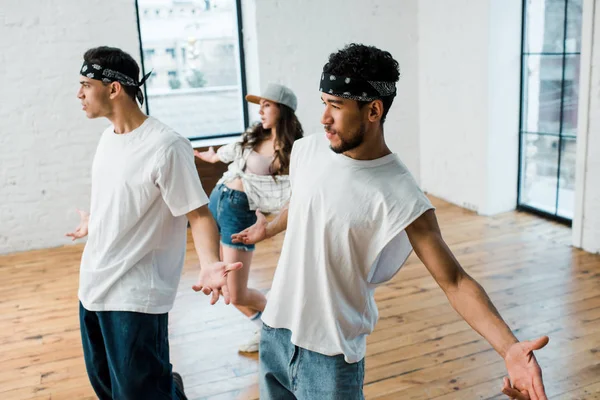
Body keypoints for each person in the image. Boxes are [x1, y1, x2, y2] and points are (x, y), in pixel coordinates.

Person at [229, 44, 549, 400]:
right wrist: (268, 228)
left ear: (374, 110)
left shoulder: (401, 194)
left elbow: (455, 281)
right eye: (324, 102)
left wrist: (509, 349)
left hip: (330, 356)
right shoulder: (307, 150)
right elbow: (306, 200)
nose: (324, 118)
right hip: (275, 331)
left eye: (336, 106)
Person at [67, 46, 240, 400]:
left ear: (114, 88)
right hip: (93, 285)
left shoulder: (166, 146)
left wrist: (209, 265)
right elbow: (121, 198)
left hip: (135, 295)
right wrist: (95, 222)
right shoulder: (107, 139)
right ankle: (169, 387)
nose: (79, 93)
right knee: (105, 385)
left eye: (86, 84)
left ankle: (168, 388)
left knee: (138, 393)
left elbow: (199, 214)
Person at [194, 83, 303, 352]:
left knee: (236, 292)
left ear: (283, 109)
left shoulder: (294, 150)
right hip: (218, 199)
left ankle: (282, 326)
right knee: (225, 286)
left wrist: (273, 222)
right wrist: (212, 156)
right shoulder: (255, 136)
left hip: (238, 210)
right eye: (260, 105)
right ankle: (265, 329)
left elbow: (297, 191)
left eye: (267, 104)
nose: (261, 110)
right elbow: (231, 151)